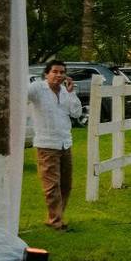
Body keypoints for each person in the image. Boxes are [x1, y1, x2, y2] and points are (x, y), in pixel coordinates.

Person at [27, 60, 82, 231]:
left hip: (65, 143)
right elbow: (21, 95)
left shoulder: (66, 91)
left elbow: (76, 112)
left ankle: (57, 216)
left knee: (66, 184)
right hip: (47, 144)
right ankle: (55, 221)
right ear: (46, 74)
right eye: (55, 72)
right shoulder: (38, 88)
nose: (59, 75)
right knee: (51, 186)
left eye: (62, 72)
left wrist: (72, 93)